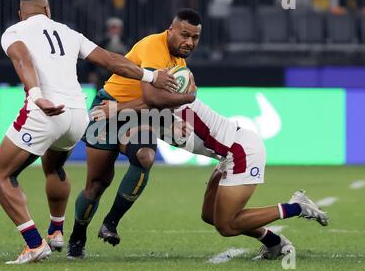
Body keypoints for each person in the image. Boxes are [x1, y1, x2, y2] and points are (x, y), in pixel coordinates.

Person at [0, 0, 176, 265]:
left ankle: (34, 244)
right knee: (53, 167)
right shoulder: (68, 32)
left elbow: (22, 60)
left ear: (21, 14)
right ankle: (55, 230)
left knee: (0, 176)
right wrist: (150, 76)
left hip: (46, 111)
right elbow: (111, 60)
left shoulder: (14, 31)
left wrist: (37, 95)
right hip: (78, 115)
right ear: (48, 11)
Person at [93, 91, 330, 260]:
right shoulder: (153, 111)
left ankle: (295, 207)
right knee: (210, 216)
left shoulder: (169, 101)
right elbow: (144, 118)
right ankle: (274, 242)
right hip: (227, 156)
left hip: (241, 152)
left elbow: (151, 105)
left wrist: (114, 109)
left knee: (227, 226)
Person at [66, 9, 202, 259]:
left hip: (134, 116)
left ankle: (110, 223)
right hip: (106, 107)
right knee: (96, 184)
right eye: (184, 35)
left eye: (195, 38)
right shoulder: (154, 45)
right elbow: (152, 97)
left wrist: (171, 120)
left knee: (145, 157)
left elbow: (159, 103)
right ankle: (77, 237)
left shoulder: (179, 64)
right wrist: (189, 97)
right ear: (170, 29)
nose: (189, 42)